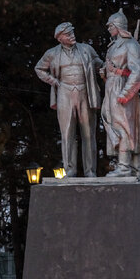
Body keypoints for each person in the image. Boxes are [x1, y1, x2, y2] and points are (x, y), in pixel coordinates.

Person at [34, 22, 103, 177]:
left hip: (84, 92)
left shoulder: (86, 49)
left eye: (72, 32)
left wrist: (109, 68)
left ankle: (90, 170)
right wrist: (54, 81)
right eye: (68, 34)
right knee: (67, 133)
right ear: (60, 38)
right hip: (64, 93)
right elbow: (39, 68)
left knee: (88, 134)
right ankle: (70, 169)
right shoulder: (52, 53)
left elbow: (99, 64)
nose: (72, 36)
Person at [101, 9, 140, 178]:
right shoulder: (113, 46)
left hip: (122, 88)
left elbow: (139, 71)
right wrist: (104, 73)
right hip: (111, 87)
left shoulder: (131, 45)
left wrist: (126, 92)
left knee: (124, 125)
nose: (108, 29)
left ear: (117, 26)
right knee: (110, 120)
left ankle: (125, 166)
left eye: (110, 25)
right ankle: (128, 165)